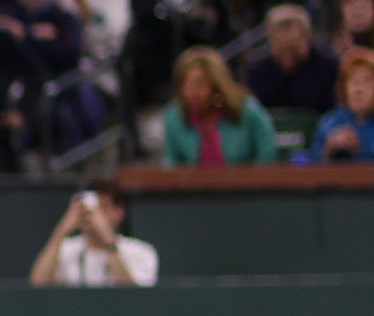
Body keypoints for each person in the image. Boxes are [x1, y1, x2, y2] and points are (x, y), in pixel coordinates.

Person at [162, 46, 280, 166]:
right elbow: (170, 164)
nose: (193, 93)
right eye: (187, 85)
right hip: (192, 185)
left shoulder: (247, 111)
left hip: (244, 184)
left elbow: (267, 157)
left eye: (199, 85)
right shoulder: (175, 117)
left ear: (217, 85)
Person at [30, 179, 160, 287]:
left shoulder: (141, 252)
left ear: (119, 212)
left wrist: (108, 240)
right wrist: (62, 231)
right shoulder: (64, 250)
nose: (92, 215)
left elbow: (134, 298)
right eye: (87, 208)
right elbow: (39, 285)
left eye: (102, 208)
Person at [244, 5, 340, 114]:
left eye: (293, 49)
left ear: (308, 38)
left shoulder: (329, 64)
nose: (287, 59)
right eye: (281, 50)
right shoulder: (256, 70)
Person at [312, 47, 374, 162]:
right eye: (353, 82)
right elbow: (313, 170)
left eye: (367, 81)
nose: (358, 89)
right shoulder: (329, 125)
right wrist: (329, 151)